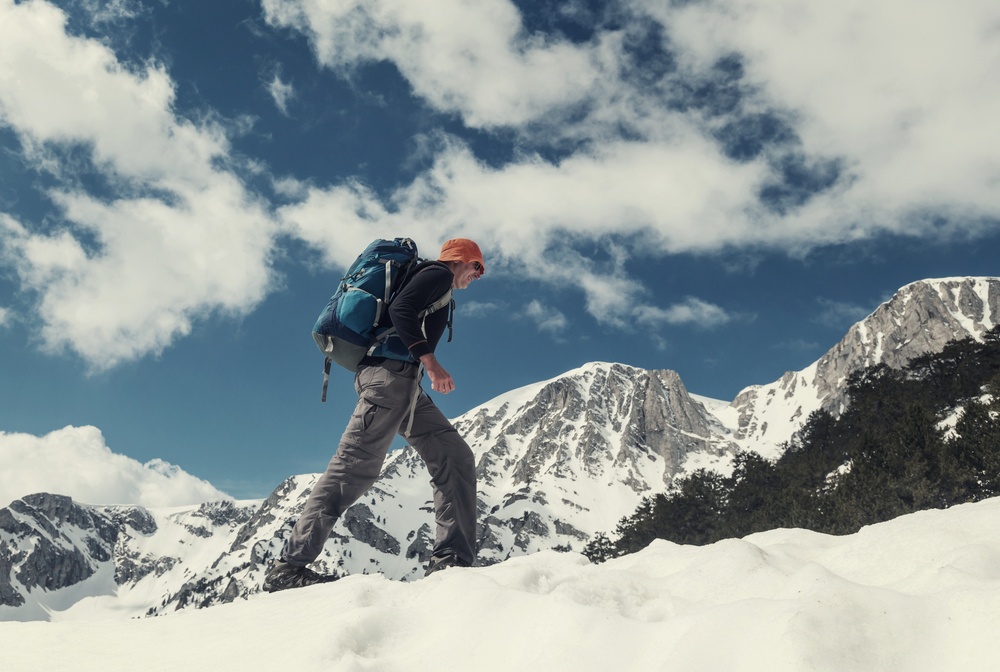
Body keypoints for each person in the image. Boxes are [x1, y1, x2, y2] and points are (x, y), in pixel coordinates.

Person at [264, 238, 486, 592]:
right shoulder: (437, 274)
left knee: (454, 455)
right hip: (389, 380)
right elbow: (402, 309)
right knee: (352, 469)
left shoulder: (436, 281)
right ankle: (289, 567)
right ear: (462, 260)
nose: (478, 276)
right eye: (478, 268)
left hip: (402, 385)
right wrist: (431, 363)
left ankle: (452, 561)